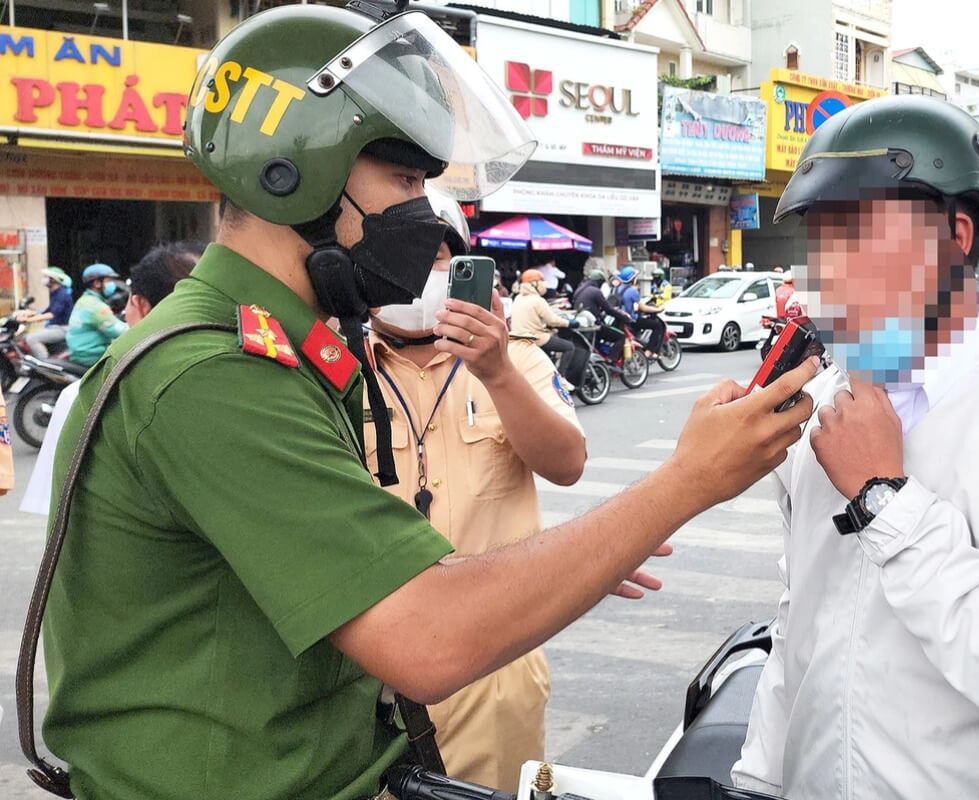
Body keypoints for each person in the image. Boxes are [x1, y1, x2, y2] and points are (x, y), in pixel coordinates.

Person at [27, 7, 820, 798]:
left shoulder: (284, 350)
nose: (421, 213)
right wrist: (685, 481)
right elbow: (427, 635)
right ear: (297, 168)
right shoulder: (212, 375)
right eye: (405, 181)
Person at [732, 95, 979, 800]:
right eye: (820, 240)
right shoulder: (823, 409)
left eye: (858, 235)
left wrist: (886, 501)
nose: (829, 273)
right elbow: (800, 631)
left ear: (957, 235)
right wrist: (758, 780)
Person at [365, 189, 593, 793]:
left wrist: (496, 373)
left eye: (437, 256)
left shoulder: (518, 363)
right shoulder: (333, 369)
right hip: (369, 685)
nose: (419, 272)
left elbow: (567, 463)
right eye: (401, 254)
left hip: (495, 677)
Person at [19, 241, 203, 516]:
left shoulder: (82, 398)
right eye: (107, 281)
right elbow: (115, 329)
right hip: (88, 356)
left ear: (138, 305)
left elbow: (57, 517)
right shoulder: (247, 387)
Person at [510, 268, 587, 388]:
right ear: (534, 284)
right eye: (541, 282)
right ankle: (561, 378)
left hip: (519, 338)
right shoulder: (538, 300)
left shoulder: (518, 298)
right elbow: (553, 320)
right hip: (536, 338)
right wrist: (570, 323)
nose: (544, 285)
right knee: (569, 347)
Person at [65, 262, 128, 367]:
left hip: (80, 353)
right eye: (109, 280)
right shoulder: (96, 306)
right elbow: (120, 331)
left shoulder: (84, 300)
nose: (112, 284)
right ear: (97, 283)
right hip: (92, 356)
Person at [17, 266, 74, 360]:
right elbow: (47, 310)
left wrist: (28, 319)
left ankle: (44, 363)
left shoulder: (62, 295)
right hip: (55, 327)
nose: (43, 279)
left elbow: (51, 314)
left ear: (53, 279)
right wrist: (30, 313)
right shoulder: (55, 293)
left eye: (46, 277)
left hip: (62, 329)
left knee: (31, 338)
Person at [574, 267, 632, 354]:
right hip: (594, 326)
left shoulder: (579, 290)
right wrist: (624, 317)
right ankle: (611, 361)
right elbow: (608, 309)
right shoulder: (596, 292)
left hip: (582, 325)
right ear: (599, 281)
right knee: (621, 337)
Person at [615, 265, 666, 357]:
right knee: (657, 326)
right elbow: (643, 308)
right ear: (632, 279)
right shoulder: (632, 291)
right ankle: (649, 351)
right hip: (631, 320)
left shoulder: (615, 289)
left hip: (619, 319)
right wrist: (658, 309)